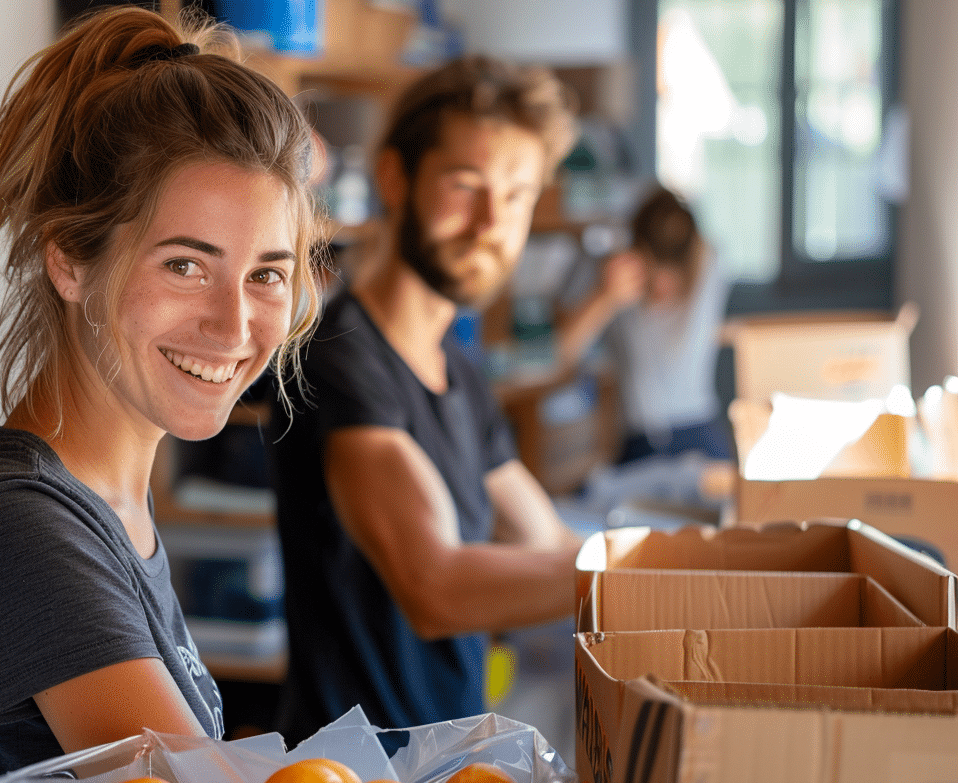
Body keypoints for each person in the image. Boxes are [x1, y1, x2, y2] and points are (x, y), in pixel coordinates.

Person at [0, 6, 322, 783]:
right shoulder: (19, 529)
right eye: (186, 265)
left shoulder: (111, 506)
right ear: (70, 261)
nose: (235, 326)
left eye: (267, 273)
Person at [265, 55, 583, 746]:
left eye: (518, 195)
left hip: (440, 774)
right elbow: (436, 585)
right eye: (465, 184)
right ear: (395, 179)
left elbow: (547, 543)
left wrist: (676, 567)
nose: (491, 221)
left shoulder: (459, 375)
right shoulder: (339, 357)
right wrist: (635, 575)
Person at [553, 184, 734, 466]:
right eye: (654, 270)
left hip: (701, 432)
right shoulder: (613, 284)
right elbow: (561, 353)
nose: (664, 285)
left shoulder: (709, 266)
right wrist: (604, 297)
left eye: (674, 274)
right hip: (639, 442)